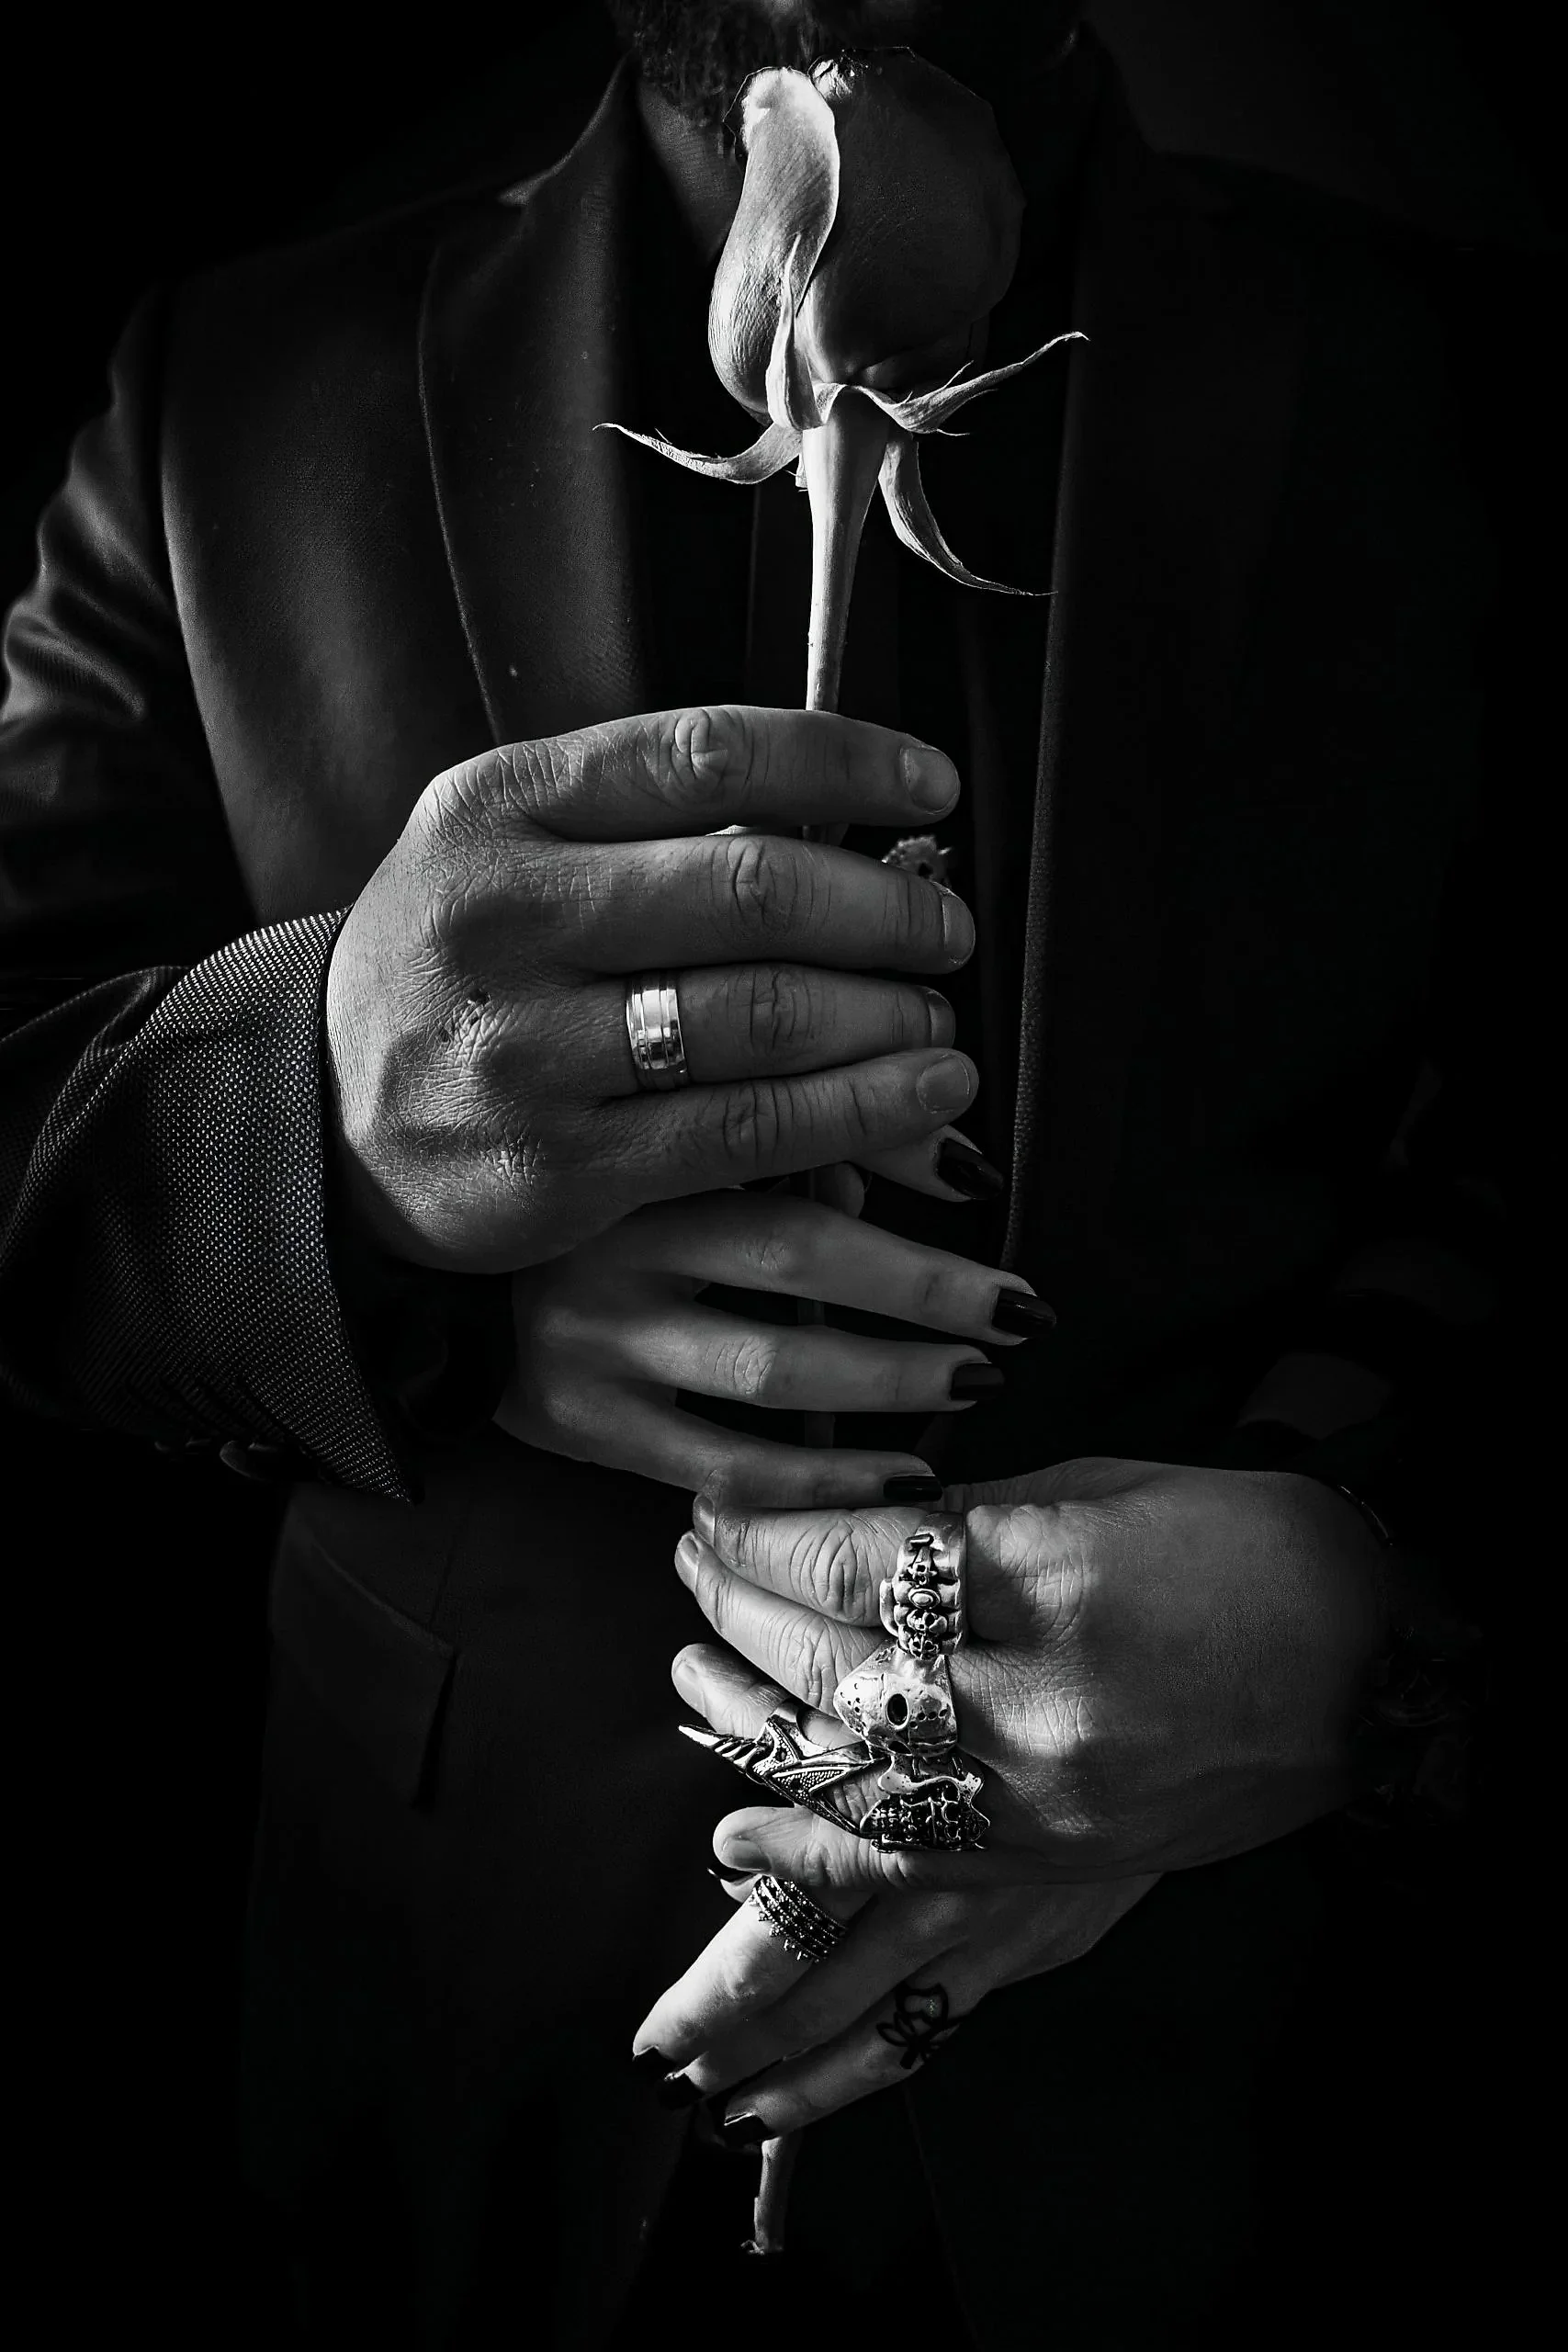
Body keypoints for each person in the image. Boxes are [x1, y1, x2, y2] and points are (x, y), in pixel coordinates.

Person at [0, 1, 1499, 2343]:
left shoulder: (1470, 388)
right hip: (457, 2057)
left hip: (1270, 2085)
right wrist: (337, 1145)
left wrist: (1367, 1624)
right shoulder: (231, 391)